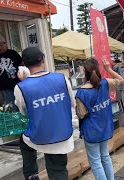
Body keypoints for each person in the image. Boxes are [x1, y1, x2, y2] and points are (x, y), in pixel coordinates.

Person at [14, 47, 75, 180]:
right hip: (62, 133)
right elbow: (71, 103)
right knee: (58, 169)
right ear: (43, 59)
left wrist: (25, 81)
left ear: (24, 64)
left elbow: (23, 111)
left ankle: (32, 175)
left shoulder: (21, 87)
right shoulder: (62, 79)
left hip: (39, 135)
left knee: (25, 143)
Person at [75, 58, 124, 180]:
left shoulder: (81, 92)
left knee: (96, 161)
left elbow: (81, 114)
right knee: (105, 156)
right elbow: (121, 80)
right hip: (105, 127)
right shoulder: (105, 83)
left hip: (91, 131)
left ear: (84, 71)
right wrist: (108, 68)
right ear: (98, 68)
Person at [0, 34, 22, 111]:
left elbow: (22, 66)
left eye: (1, 45)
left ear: (5, 43)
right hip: (5, 87)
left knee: (22, 105)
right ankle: (16, 122)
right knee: (11, 107)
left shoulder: (13, 53)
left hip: (19, 84)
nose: (0, 47)